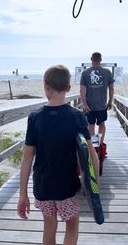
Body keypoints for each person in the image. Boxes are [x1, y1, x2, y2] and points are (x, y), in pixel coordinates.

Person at [17, 65, 99, 245]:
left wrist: (23, 194)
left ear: (45, 86)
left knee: (49, 227)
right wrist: (95, 186)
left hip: (42, 186)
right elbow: (92, 154)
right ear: (69, 88)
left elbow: (27, 158)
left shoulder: (35, 117)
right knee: (72, 226)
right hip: (66, 186)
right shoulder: (77, 116)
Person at [80, 52, 114, 140]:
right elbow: (111, 89)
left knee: (91, 125)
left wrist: (84, 104)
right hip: (102, 105)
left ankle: (94, 145)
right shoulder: (107, 72)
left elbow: (82, 90)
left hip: (89, 106)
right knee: (102, 124)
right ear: (100, 60)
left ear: (91, 59)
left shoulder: (85, 73)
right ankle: (100, 143)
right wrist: (110, 101)